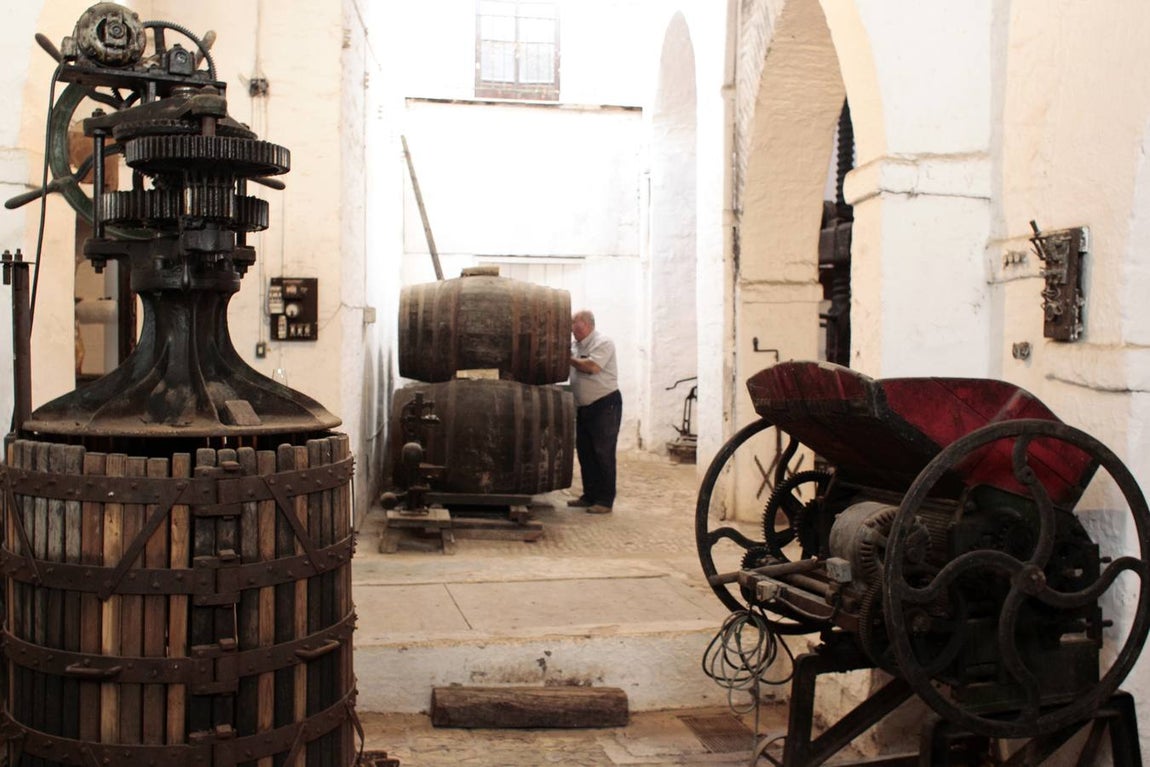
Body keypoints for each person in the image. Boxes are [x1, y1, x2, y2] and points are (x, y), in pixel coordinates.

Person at [568, 309, 622, 514]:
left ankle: (605, 500)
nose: (574, 330)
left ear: (589, 325)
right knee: (585, 452)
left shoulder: (603, 342)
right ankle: (589, 495)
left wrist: (569, 359)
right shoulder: (575, 345)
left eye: (577, 325)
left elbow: (592, 367)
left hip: (605, 404)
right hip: (584, 407)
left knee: (603, 453)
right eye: (572, 326)